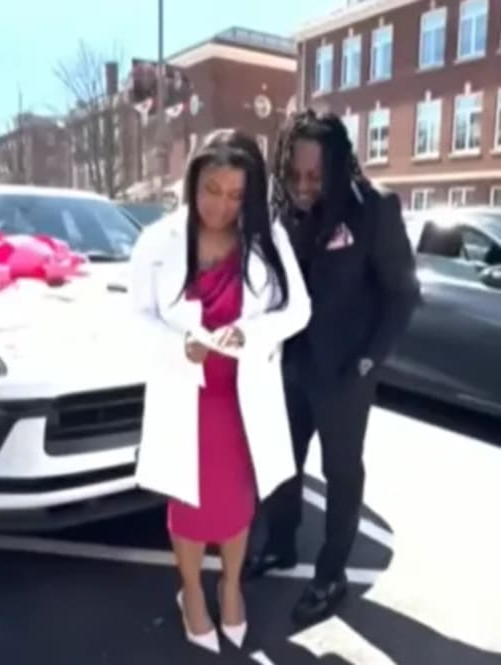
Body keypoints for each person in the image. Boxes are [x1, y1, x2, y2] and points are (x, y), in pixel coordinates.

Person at [130, 129, 311, 654]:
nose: (221, 206)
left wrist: (251, 333)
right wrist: (178, 345)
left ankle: (231, 586)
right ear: (193, 181)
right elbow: (136, 317)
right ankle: (191, 590)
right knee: (188, 501)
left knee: (235, 503)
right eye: (212, 190)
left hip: (242, 397)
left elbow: (298, 310)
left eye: (235, 195)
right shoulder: (158, 241)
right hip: (185, 395)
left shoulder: (267, 238)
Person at [243, 109, 419, 626]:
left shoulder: (374, 209)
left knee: (341, 472)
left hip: (345, 371)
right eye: (294, 174)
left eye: (315, 177)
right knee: (281, 463)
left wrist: (367, 361)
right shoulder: (280, 209)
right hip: (289, 364)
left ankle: (331, 574)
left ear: (338, 167)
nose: (303, 187)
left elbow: (403, 294)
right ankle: (280, 544)